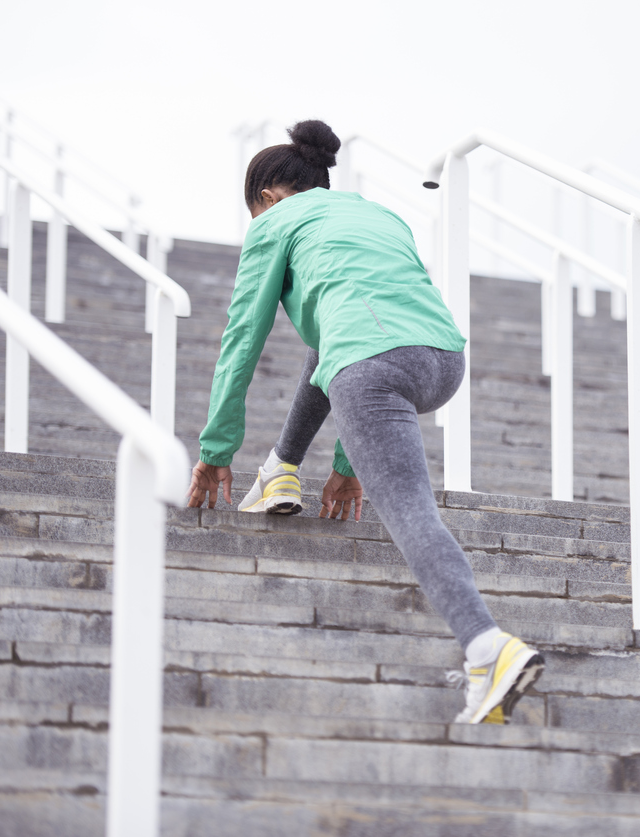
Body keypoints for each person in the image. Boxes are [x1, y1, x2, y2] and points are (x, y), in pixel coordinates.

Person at [186, 120, 543, 724]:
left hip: (371, 366)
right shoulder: (379, 216)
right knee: (331, 337)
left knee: (410, 513)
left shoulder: (275, 222)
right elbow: (359, 317)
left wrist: (216, 449)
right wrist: (348, 465)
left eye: (254, 212)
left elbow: (242, 338)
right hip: (442, 359)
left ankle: (487, 646)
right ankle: (280, 470)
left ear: (268, 198)